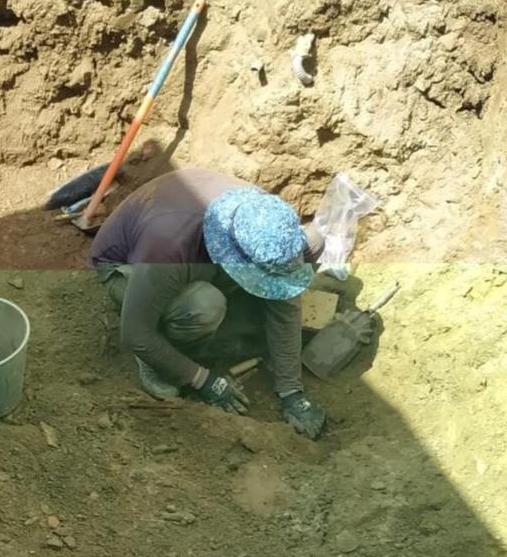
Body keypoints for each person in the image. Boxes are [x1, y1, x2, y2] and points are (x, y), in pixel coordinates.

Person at [87, 168, 351, 440]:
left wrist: (292, 392)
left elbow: (284, 298)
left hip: (194, 249)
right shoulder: (167, 247)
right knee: (204, 305)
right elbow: (134, 334)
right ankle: (157, 358)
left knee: (290, 269)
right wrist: (204, 379)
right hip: (127, 267)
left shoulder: (266, 219)